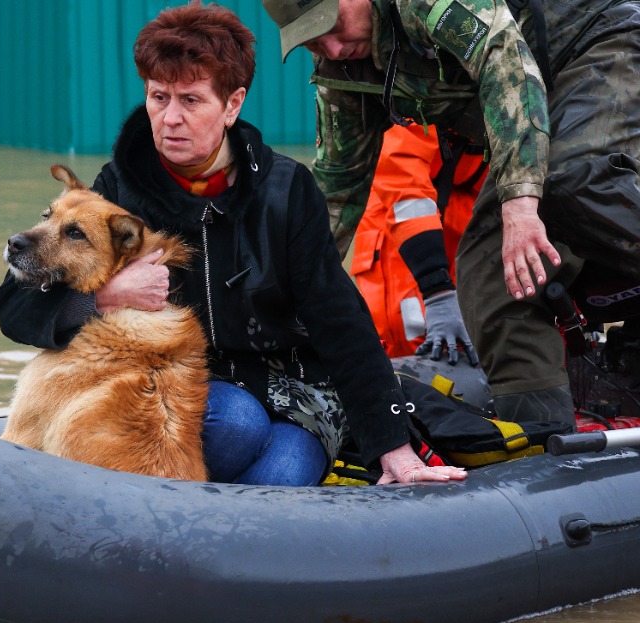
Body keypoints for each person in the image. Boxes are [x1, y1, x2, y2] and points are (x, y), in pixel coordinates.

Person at [0, 2, 466, 486]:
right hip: (195, 390)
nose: (170, 119)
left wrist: (394, 447)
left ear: (233, 104)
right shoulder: (119, 189)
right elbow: (14, 307)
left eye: (191, 100)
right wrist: (103, 297)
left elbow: (340, 319)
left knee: (282, 475)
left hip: (295, 391)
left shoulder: (288, 189)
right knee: (235, 425)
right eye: (158, 98)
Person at [263, 0, 640, 431]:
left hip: (598, 44)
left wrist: (519, 203)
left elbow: (504, 60)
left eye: (332, 25)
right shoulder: (343, 71)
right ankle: (548, 454)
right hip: (534, 101)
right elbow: (335, 190)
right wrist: (281, 296)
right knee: (493, 273)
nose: (332, 47)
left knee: (572, 183)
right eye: (312, 39)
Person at [353, 123, 486, 361]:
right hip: (401, 218)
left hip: (472, 211)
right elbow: (402, 177)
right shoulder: (417, 97)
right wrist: (437, 289)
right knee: (412, 333)